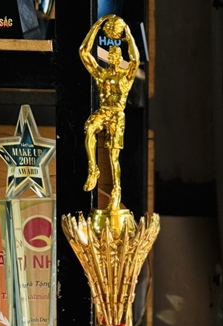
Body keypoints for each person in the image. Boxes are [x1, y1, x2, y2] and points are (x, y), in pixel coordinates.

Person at [79, 15, 139, 213]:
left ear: (120, 58)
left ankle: (116, 192)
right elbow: (84, 52)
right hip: (104, 111)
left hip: (117, 115)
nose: (113, 57)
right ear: (108, 57)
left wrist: (128, 35)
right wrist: (96, 26)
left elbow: (135, 59)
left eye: (116, 54)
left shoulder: (126, 77)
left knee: (114, 157)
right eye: (110, 54)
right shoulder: (102, 74)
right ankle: (93, 168)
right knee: (89, 128)